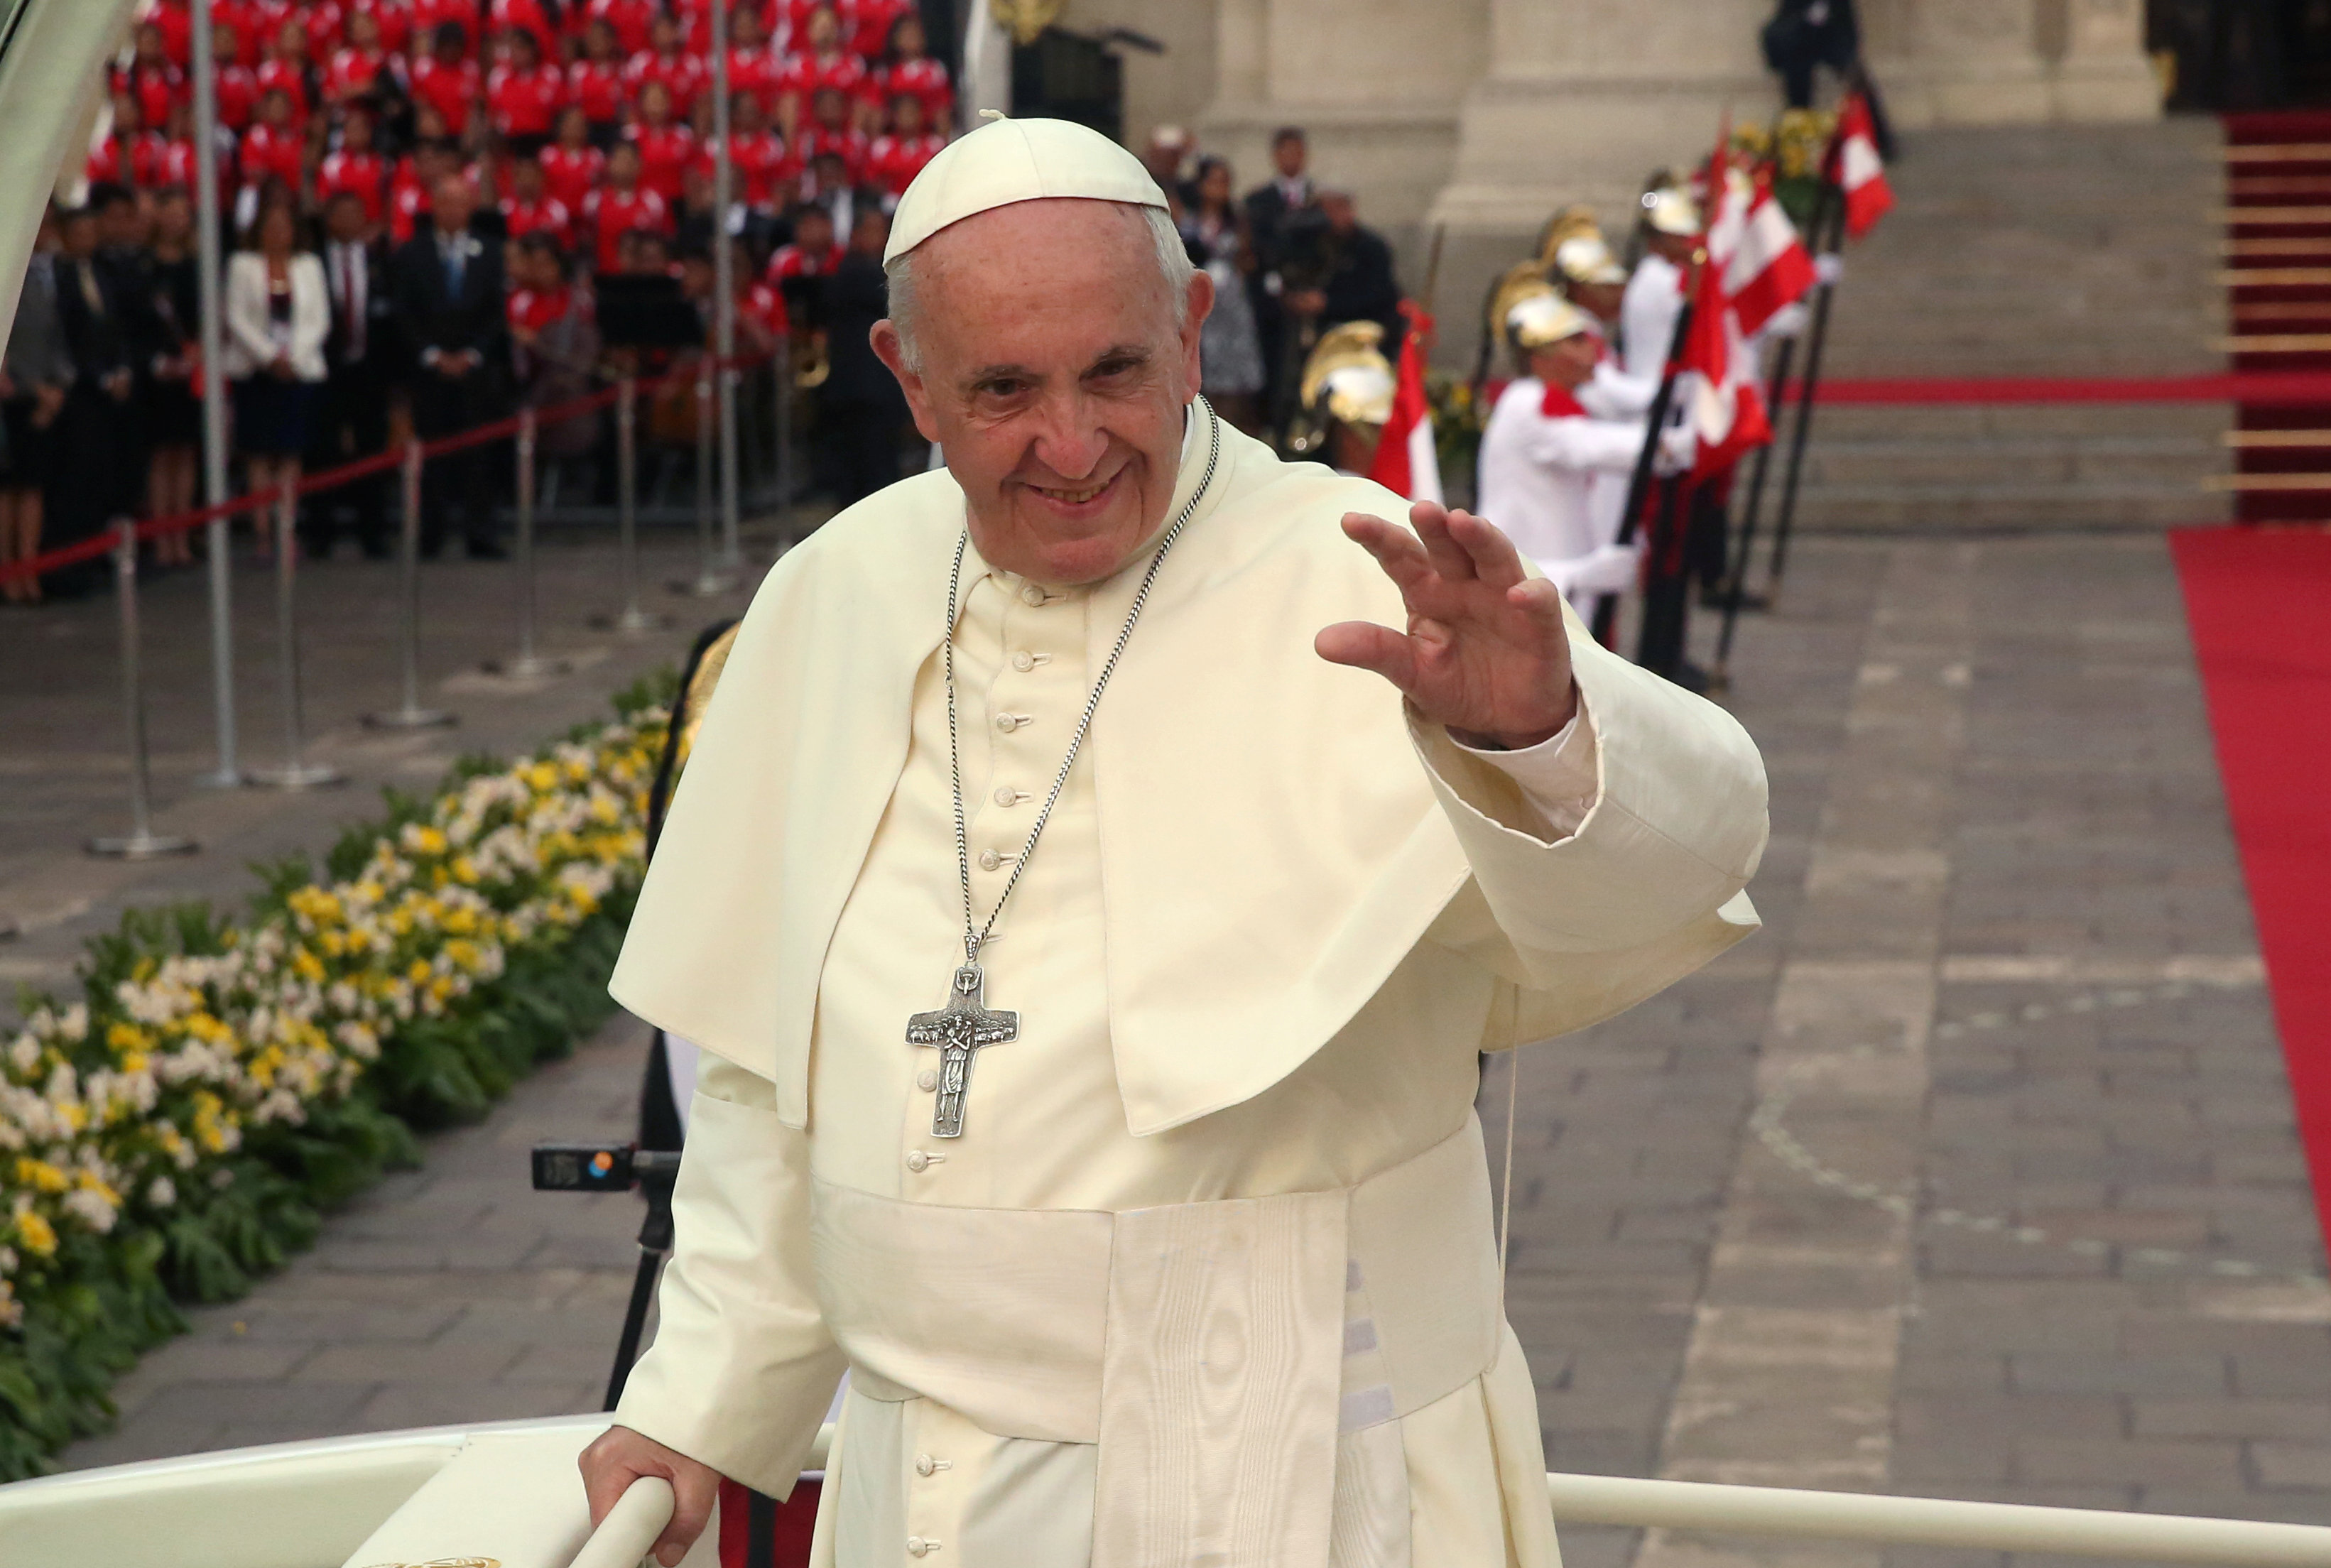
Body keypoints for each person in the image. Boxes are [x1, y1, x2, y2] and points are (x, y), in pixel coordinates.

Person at [580, 115, 1766, 1568]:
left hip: (1306, 1476)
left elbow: (1673, 892)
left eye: (1116, 373)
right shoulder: (834, 596)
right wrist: (698, 1401)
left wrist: (1536, 735)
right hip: (918, 1481)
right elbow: (776, 1085)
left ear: (1196, 329)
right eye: (1004, 389)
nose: (1071, 447)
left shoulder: (1372, 570)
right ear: (910, 382)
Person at [1477, 286, 1684, 609]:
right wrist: (1675, 444)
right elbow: (1589, 445)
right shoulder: (1529, 404)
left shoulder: (1554, 397)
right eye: (1576, 341)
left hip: (1554, 575)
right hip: (1531, 577)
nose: (1592, 351)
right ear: (1541, 356)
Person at [391, 171, 509, 557]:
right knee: (433, 454)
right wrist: (432, 355)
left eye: (462, 202)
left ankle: (481, 532)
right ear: (435, 206)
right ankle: (431, 534)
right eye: (447, 202)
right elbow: (404, 313)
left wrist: (473, 354)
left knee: (479, 453)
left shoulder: (491, 251)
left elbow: (496, 313)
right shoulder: (411, 254)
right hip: (430, 370)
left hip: (477, 370)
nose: (455, 210)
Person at [222, 200, 330, 558]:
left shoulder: (310, 265)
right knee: (258, 454)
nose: (278, 234)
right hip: (256, 371)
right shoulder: (242, 266)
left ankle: (288, 528)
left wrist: (292, 358)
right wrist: (269, 357)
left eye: (284, 227)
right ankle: (262, 532)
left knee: (290, 454)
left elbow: (319, 319)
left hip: (298, 369)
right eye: (271, 227)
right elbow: (236, 317)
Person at [311, 187, 398, 557]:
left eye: (356, 213)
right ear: (329, 221)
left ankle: (373, 534)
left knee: (371, 452)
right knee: (322, 453)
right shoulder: (312, 263)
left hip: (369, 370)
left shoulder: (381, 260)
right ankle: (320, 534)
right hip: (323, 370)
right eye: (341, 214)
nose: (349, 221)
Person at [809, 205, 909, 506]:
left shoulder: (857, 273)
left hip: (865, 389)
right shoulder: (858, 273)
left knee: (873, 468)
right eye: (875, 230)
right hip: (864, 389)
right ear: (856, 235)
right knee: (869, 471)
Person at [1, 234, 71, 604]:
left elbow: (55, 337)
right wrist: (33, 388)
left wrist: (58, 385)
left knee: (32, 487)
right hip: (12, 397)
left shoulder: (42, 275)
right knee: (8, 490)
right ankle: (8, 573)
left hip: (44, 395)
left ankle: (29, 570)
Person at [138, 187, 203, 569]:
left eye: (183, 212)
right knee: (162, 455)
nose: (177, 219)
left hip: (193, 369)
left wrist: (199, 352)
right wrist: (161, 360)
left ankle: (183, 535)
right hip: (159, 371)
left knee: (187, 452)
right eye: (171, 211)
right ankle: (162, 538)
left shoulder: (196, 263)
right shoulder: (146, 265)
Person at [1181, 155, 1265, 434]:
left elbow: (1251, 261)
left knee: (1237, 382)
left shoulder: (1239, 222)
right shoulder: (1188, 221)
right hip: (1200, 304)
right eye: (1214, 181)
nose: (1219, 188)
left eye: (1225, 182)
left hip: (1233, 307)